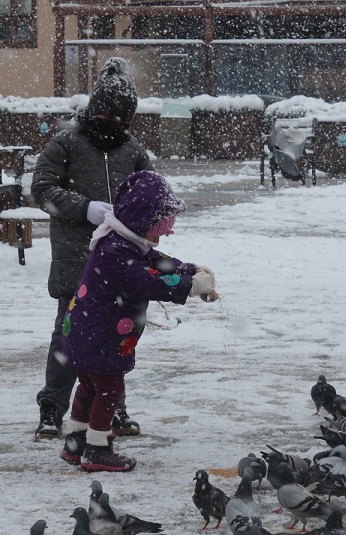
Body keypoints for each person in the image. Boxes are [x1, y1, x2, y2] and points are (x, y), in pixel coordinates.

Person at [60, 170, 217, 472]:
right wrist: (189, 286)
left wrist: (189, 269)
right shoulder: (116, 251)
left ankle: (75, 443)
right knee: (109, 389)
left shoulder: (124, 241)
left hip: (87, 331)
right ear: (142, 222)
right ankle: (97, 448)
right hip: (101, 334)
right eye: (161, 226)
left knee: (90, 386)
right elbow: (148, 282)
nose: (167, 232)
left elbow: (156, 261)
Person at [31, 57, 152, 441]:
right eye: (107, 118)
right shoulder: (66, 142)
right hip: (76, 257)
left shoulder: (132, 149)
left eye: (122, 121)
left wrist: (144, 222)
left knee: (116, 334)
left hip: (119, 260)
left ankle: (112, 406)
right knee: (68, 335)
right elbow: (42, 188)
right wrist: (85, 208)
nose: (113, 127)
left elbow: (150, 194)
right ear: (93, 111)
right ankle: (52, 409)